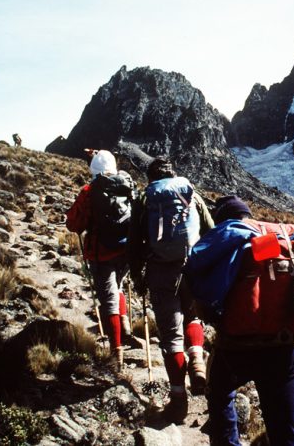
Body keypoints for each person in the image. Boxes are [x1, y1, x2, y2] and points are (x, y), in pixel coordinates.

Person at [184, 195, 294, 446]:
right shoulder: (287, 233)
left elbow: (193, 268)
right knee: (287, 428)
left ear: (222, 218)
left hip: (235, 346)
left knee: (220, 397)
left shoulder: (227, 232)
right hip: (282, 346)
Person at [128, 157, 215, 423]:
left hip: (161, 272)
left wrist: (138, 276)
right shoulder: (191, 194)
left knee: (170, 337)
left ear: (151, 176)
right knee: (193, 318)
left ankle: (178, 402)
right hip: (192, 268)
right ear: (173, 173)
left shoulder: (146, 199)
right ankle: (198, 361)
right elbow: (211, 231)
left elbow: (134, 243)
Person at [65, 150, 142, 361]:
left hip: (101, 253)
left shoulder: (89, 191)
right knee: (117, 287)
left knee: (108, 300)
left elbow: (74, 223)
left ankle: (116, 353)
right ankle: (125, 328)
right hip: (126, 251)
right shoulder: (127, 184)